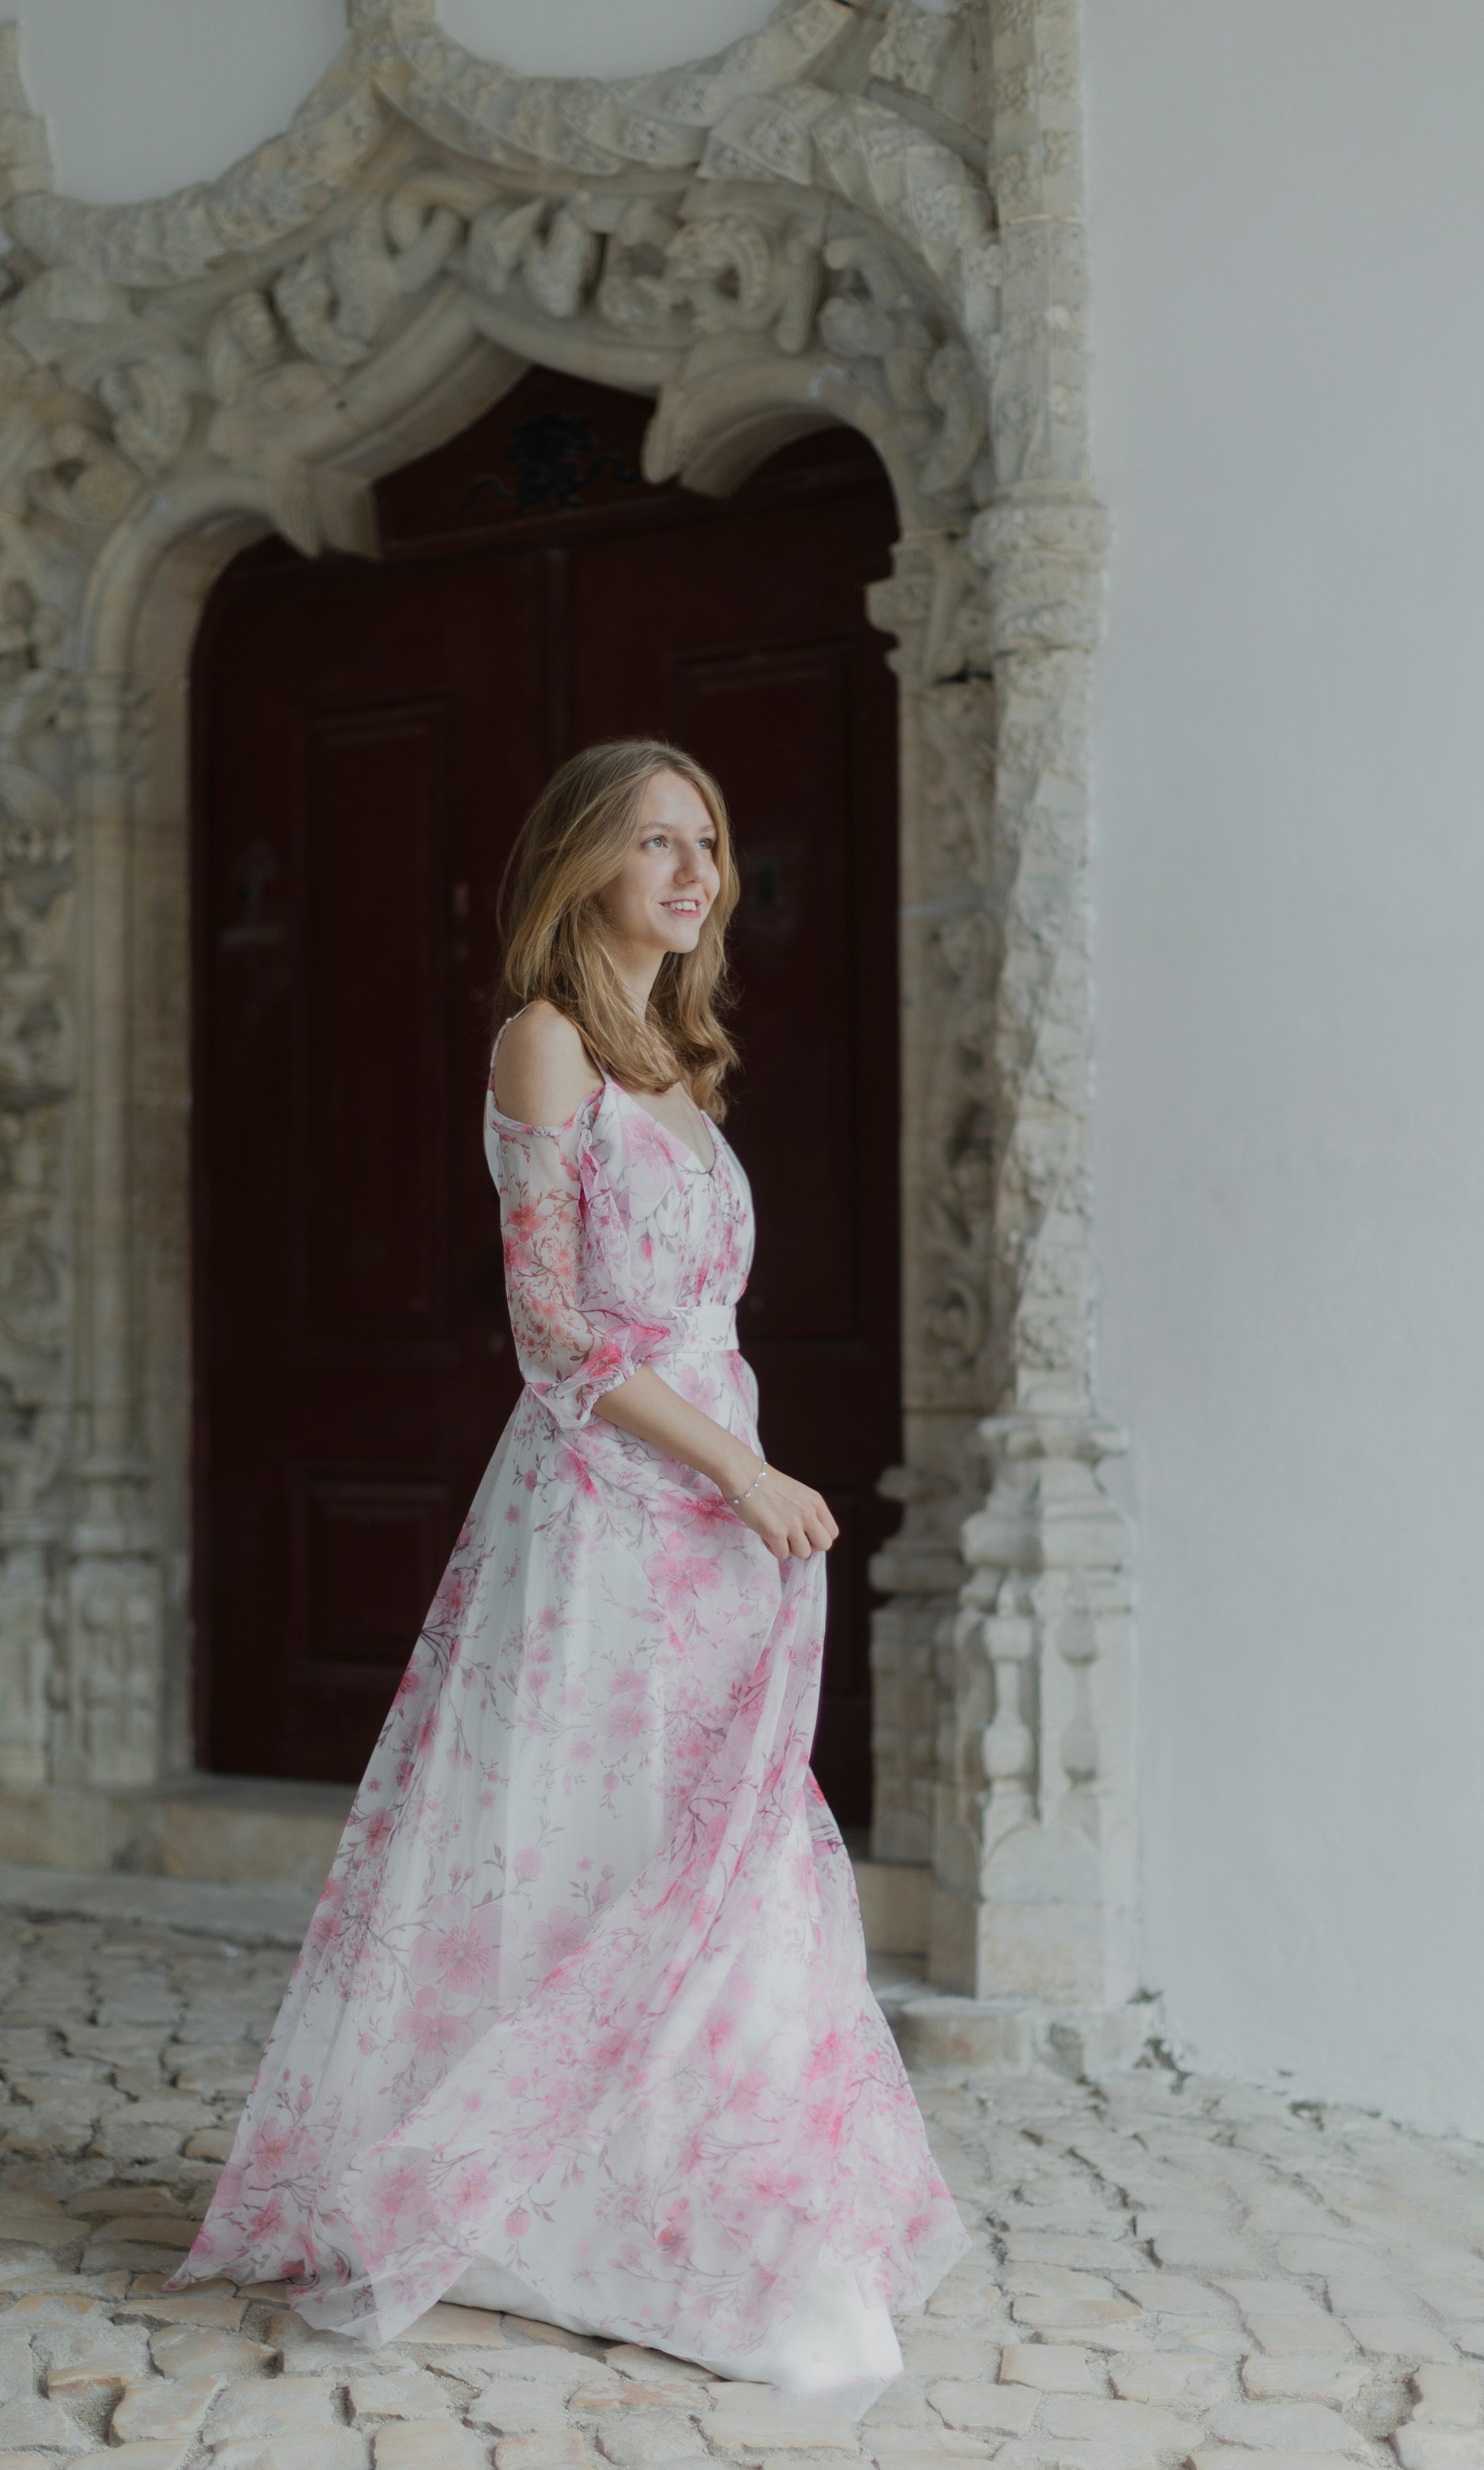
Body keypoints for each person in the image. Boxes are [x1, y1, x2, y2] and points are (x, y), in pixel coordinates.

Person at [170, 740, 967, 2416]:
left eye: (708, 841)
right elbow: (554, 1337)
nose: (694, 872)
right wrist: (740, 1468)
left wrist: (745, 1481)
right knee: (607, 1854)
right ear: (581, 865)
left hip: (721, 1523)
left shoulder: (684, 1064)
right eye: (655, 842)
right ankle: (570, 2215)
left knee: (733, 1853)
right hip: (612, 1518)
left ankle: (724, 2206)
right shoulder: (545, 1045)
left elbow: (701, 1324)